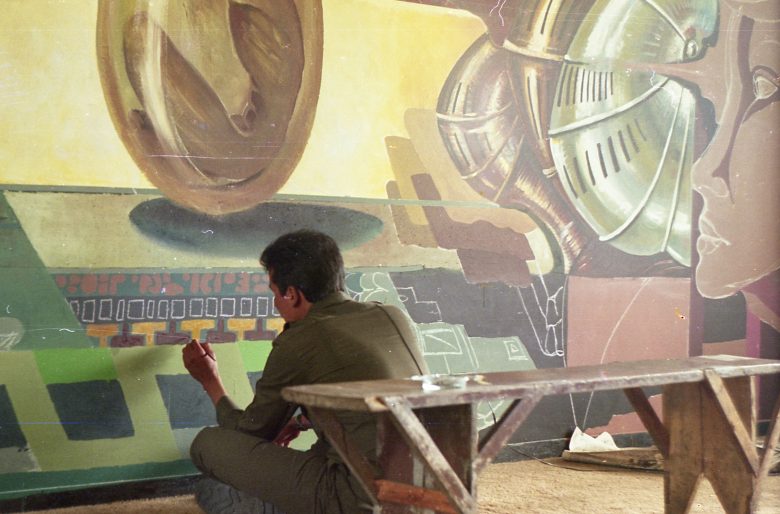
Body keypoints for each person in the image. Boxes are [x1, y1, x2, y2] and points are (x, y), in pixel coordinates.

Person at [182, 229, 429, 513]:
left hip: (363, 500)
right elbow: (370, 403)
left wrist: (210, 380)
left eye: (274, 292)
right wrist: (300, 421)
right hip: (428, 487)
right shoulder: (391, 315)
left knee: (207, 447)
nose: (275, 303)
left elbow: (251, 432)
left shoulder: (301, 338)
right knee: (318, 454)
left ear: (292, 294)